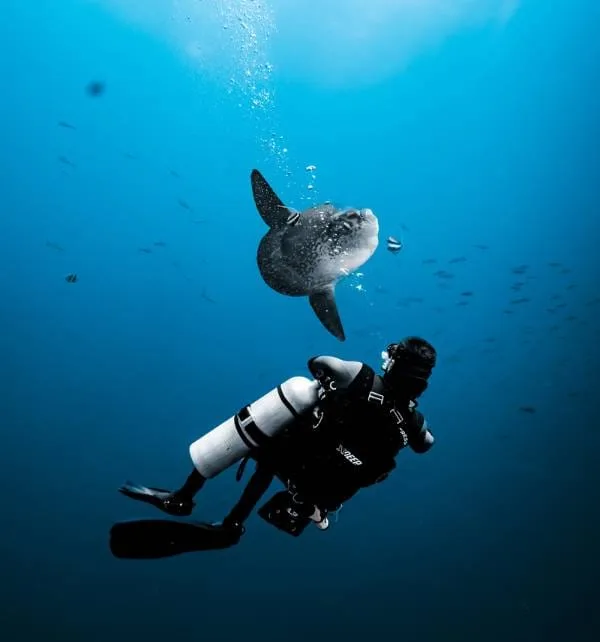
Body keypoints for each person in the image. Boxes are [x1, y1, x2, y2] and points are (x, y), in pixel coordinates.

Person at [110, 337, 437, 559]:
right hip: (318, 490)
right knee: (278, 453)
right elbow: (426, 445)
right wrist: (410, 416)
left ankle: (184, 497)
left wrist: (329, 385)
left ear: (394, 362)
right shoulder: (412, 422)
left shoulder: (361, 376)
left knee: (272, 434)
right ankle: (231, 525)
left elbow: (318, 361)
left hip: (296, 459)